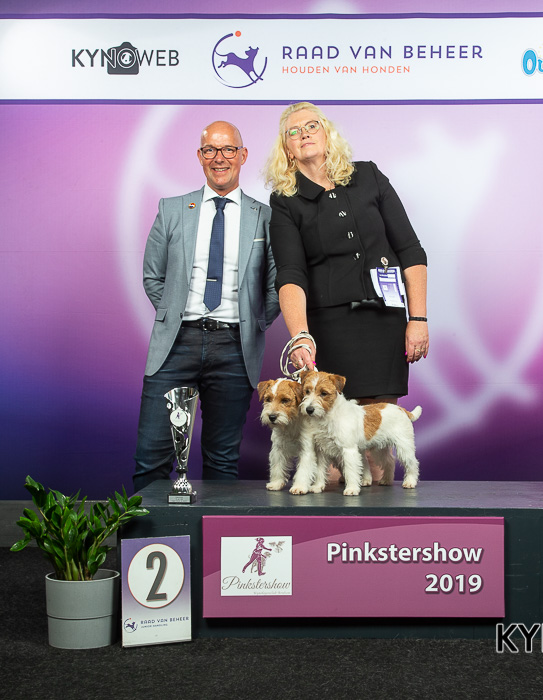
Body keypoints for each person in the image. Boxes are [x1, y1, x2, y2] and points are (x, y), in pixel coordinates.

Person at [133, 120, 279, 492]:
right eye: (210, 150)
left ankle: (213, 533)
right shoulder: (172, 209)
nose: (219, 158)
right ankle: (149, 531)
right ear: (200, 156)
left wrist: (252, 323)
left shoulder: (265, 217)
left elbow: (275, 287)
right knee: (151, 458)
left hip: (235, 348)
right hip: (176, 343)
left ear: (243, 155)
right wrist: (174, 316)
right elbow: (153, 276)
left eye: (228, 149)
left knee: (221, 460)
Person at [264, 102, 428, 403]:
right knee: (334, 425)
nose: (304, 134)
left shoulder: (368, 175)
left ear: (327, 133)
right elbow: (290, 274)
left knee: (379, 424)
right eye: (293, 132)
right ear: (287, 149)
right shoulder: (285, 200)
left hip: (385, 320)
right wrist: (300, 335)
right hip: (328, 329)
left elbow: (410, 250)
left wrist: (418, 318)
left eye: (311, 126)